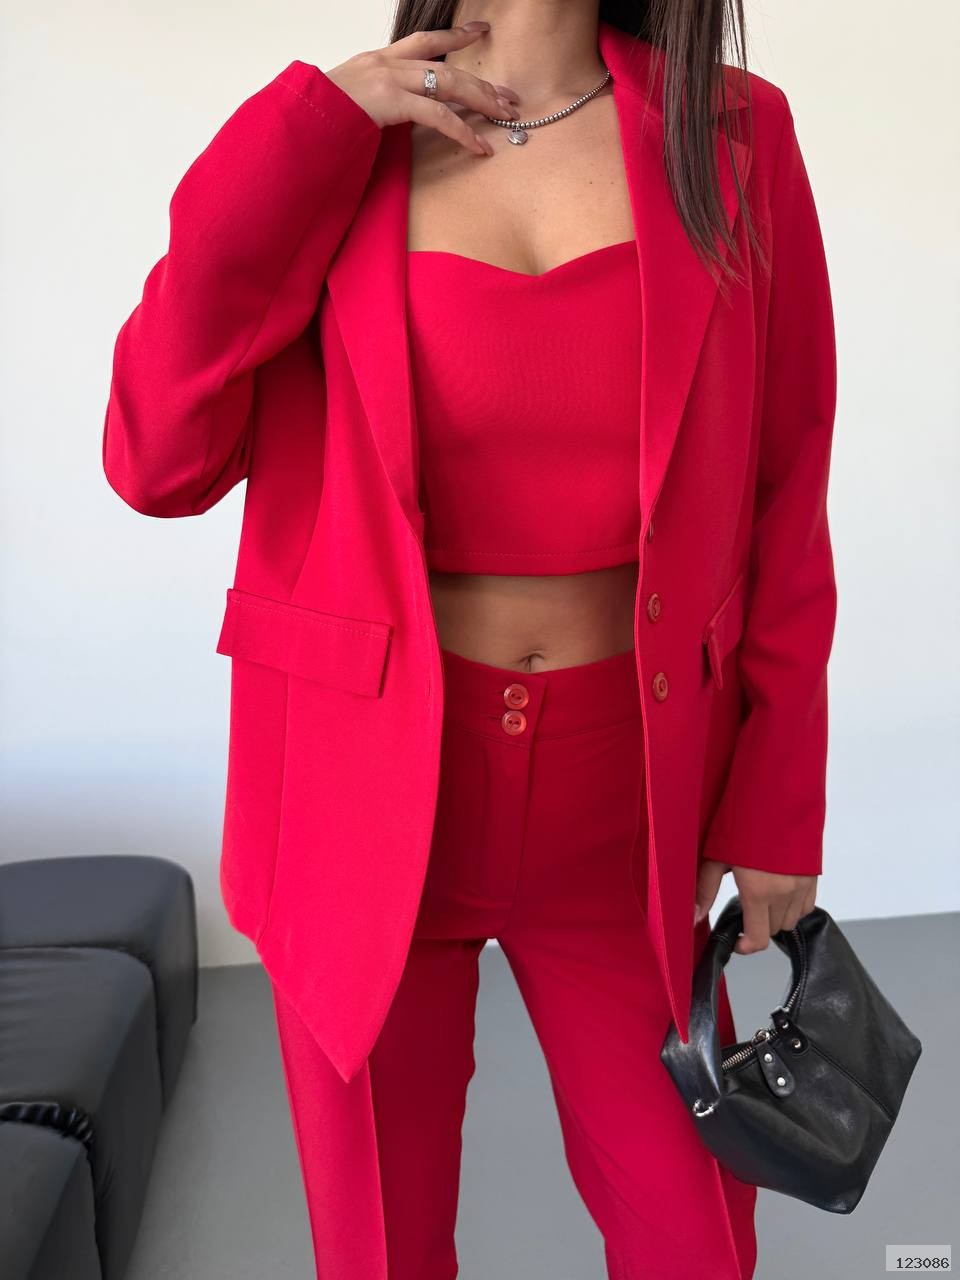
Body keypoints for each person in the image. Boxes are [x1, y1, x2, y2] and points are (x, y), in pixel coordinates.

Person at [102, 4, 837, 1277]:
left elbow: (788, 477)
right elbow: (155, 459)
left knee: (696, 1238)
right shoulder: (342, 146)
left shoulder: (732, 135)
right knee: (380, 1248)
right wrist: (303, 136)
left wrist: (779, 793)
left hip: (631, 797)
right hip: (363, 788)